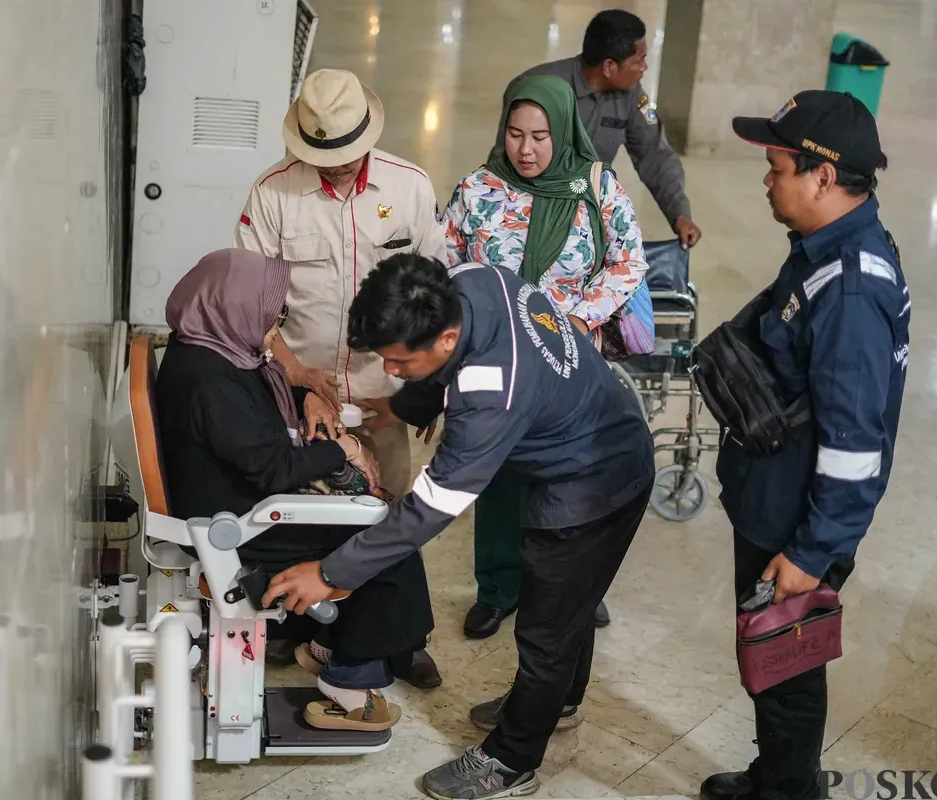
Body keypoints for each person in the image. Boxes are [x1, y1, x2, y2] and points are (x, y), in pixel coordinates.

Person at [263, 254, 655, 800]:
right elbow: (448, 362)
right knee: (570, 607)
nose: (392, 369)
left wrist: (332, 573)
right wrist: (403, 406)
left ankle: (512, 760)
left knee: (546, 630)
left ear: (444, 338)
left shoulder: (489, 390)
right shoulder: (472, 280)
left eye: (399, 361)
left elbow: (432, 506)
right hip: (593, 430)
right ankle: (556, 702)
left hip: (594, 483)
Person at [702, 91, 908, 800]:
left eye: (777, 166)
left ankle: (788, 790)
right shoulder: (828, 249)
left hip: (796, 523)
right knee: (773, 661)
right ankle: (776, 775)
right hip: (776, 495)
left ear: (822, 176)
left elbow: (856, 447)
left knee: (786, 668)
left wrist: (811, 555)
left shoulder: (850, 290)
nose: (766, 180)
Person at [155, 249, 442, 717]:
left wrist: (305, 394)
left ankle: (332, 644)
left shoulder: (209, 351)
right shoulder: (209, 381)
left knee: (381, 525)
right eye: (273, 313)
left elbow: (251, 416)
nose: (275, 325)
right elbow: (273, 469)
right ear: (232, 306)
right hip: (241, 527)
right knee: (387, 545)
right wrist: (344, 449)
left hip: (238, 506)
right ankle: (348, 679)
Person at [443, 73, 651, 639]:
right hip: (500, 360)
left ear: (563, 130)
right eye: (515, 134)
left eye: (540, 136)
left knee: (571, 478)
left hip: (570, 363)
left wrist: (581, 317)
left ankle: (574, 587)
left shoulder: (597, 188)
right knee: (498, 474)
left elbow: (628, 261)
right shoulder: (479, 189)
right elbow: (447, 261)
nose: (526, 150)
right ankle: (498, 588)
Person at [234, 67, 447, 500]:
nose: (335, 166)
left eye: (345, 154)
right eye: (322, 156)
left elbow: (436, 294)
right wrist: (296, 379)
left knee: (387, 514)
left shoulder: (410, 188)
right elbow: (247, 305)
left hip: (383, 403)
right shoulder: (272, 195)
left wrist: (429, 386)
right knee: (301, 518)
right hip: (298, 408)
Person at [493, 9, 701, 250]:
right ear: (609, 66)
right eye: (638, 60)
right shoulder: (537, 88)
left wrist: (679, 213)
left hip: (585, 219)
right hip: (525, 216)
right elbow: (507, 163)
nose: (644, 67)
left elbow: (654, 155)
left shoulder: (630, 96)